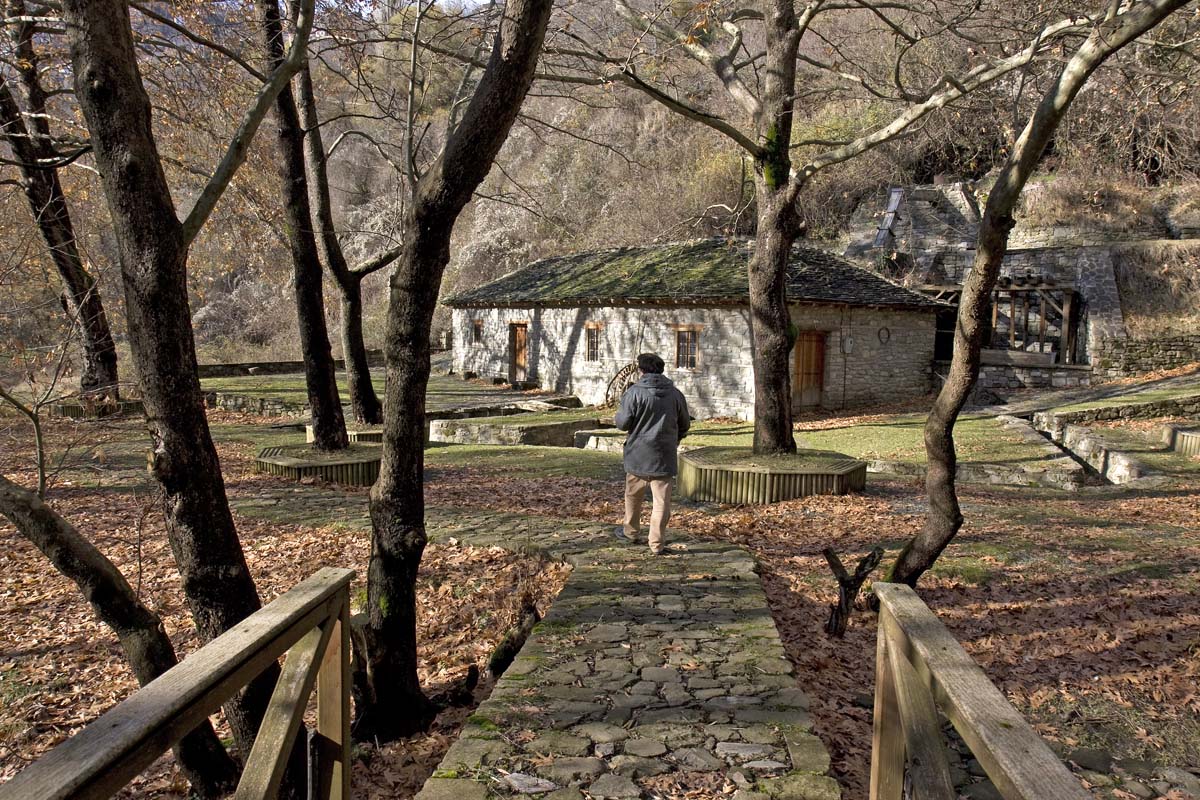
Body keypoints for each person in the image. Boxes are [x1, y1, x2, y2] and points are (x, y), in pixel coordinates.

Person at [614, 352, 691, 555]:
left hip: (638, 453)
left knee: (633, 495)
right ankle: (656, 543)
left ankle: (630, 532)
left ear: (641, 370)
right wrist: (674, 440)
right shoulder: (675, 394)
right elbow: (685, 424)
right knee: (662, 502)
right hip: (664, 454)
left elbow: (622, 423)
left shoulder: (633, 393)